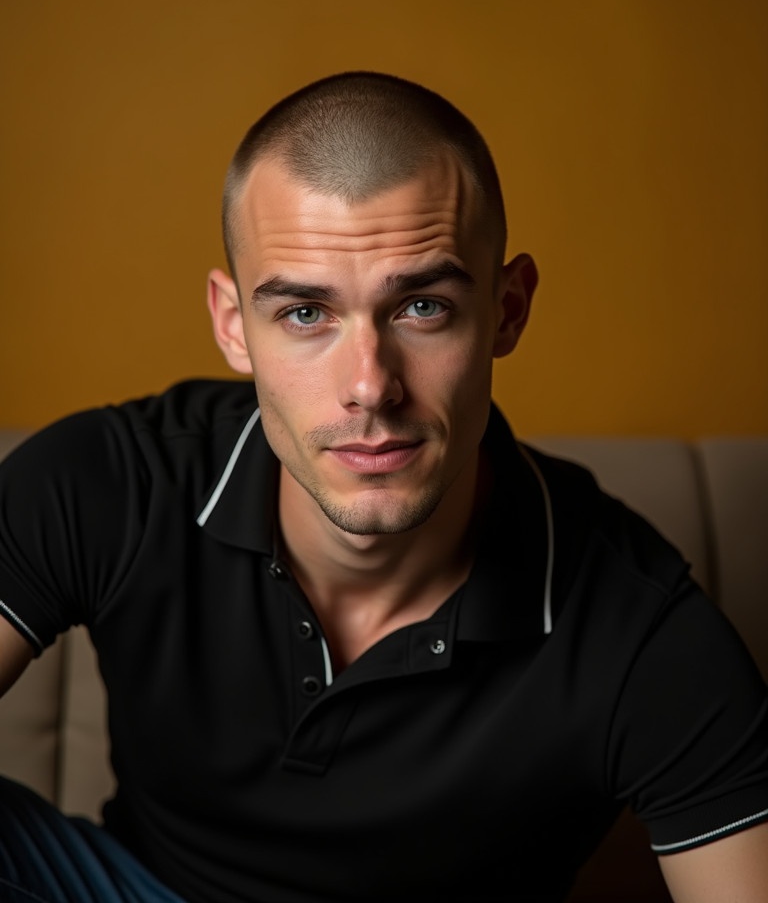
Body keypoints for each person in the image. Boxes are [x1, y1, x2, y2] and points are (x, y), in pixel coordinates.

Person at [0, 71, 766, 903]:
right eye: (305, 314)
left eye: (422, 308)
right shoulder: (113, 481)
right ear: (233, 326)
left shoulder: (639, 627)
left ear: (508, 310)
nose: (369, 386)